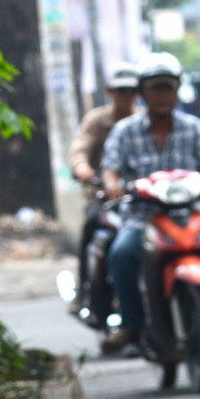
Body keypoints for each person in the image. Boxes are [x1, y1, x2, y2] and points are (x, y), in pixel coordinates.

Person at [101, 52, 200, 353]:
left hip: (190, 213)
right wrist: (111, 184)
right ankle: (131, 325)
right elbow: (110, 167)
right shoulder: (125, 131)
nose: (162, 95)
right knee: (121, 253)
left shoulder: (193, 127)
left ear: (177, 89)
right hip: (142, 217)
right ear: (142, 92)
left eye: (168, 87)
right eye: (155, 88)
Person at [67, 63, 138, 322]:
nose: (126, 95)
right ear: (110, 91)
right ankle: (85, 287)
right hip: (103, 196)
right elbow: (79, 148)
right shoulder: (97, 121)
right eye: (121, 90)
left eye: (132, 90)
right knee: (91, 226)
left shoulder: (143, 120)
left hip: (141, 198)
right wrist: (83, 168)